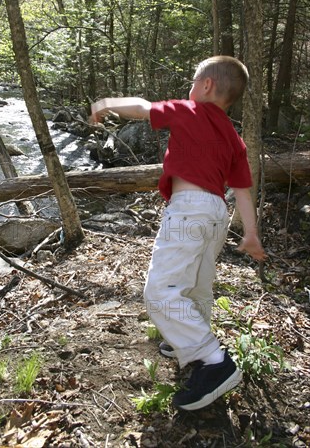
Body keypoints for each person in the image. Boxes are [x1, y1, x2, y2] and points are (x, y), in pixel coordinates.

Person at [91, 55, 266, 411]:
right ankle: (185, 339)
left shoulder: (189, 109)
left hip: (189, 209)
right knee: (197, 283)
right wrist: (250, 233)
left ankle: (214, 361)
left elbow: (142, 108)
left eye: (192, 81)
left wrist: (108, 103)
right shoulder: (234, 138)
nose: (189, 87)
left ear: (206, 86)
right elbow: (243, 190)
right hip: (217, 213)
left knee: (160, 292)